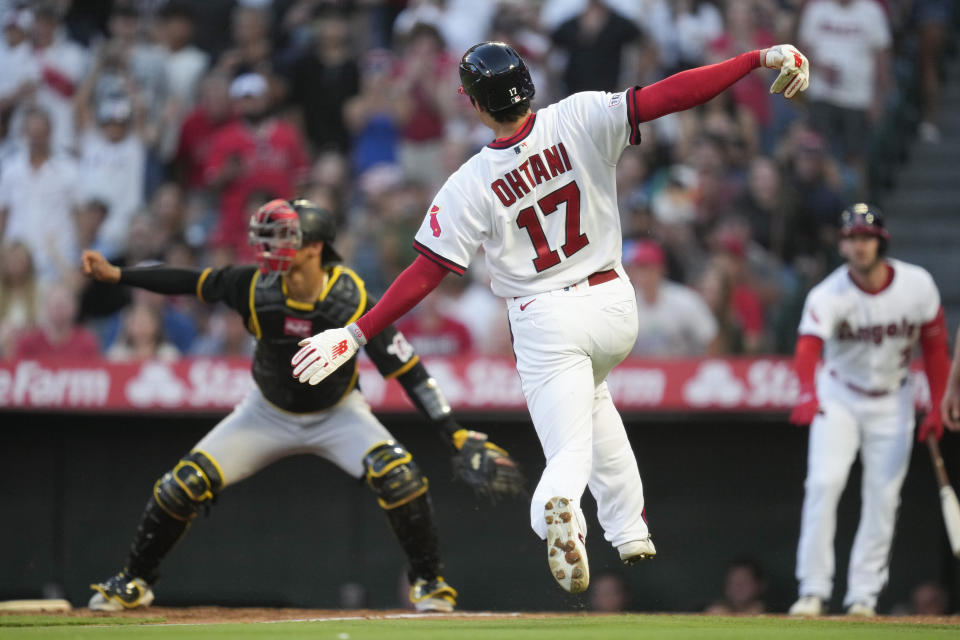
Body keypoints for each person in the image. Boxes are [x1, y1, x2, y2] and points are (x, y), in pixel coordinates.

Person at [290, 40, 810, 593]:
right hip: (614, 305)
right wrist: (754, 59)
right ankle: (629, 527)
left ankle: (556, 508)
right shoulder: (581, 113)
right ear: (527, 83)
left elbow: (426, 272)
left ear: (472, 102)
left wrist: (355, 333)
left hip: (545, 317)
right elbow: (670, 96)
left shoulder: (469, 181)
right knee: (594, 399)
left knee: (567, 454)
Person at [80, 199, 525, 612]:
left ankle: (429, 582)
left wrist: (455, 433)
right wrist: (119, 275)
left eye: (282, 239)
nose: (268, 248)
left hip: (338, 414)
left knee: (402, 478)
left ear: (314, 248)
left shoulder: (350, 298)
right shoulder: (254, 286)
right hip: (265, 412)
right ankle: (133, 580)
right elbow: (191, 281)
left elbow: (407, 369)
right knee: (179, 487)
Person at [787, 204, 951, 617]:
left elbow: (934, 348)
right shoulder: (829, 293)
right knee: (824, 484)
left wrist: (937, 402)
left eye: (866, 237)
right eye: (851, 238)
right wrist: (807, 392)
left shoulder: (917, 285)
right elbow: (808, 347)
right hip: (839, 394)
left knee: (883, 496)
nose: (859, 246)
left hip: (893, 398)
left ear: (881, 242)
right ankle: (813, 590)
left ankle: (863, 595)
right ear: (842, 245)